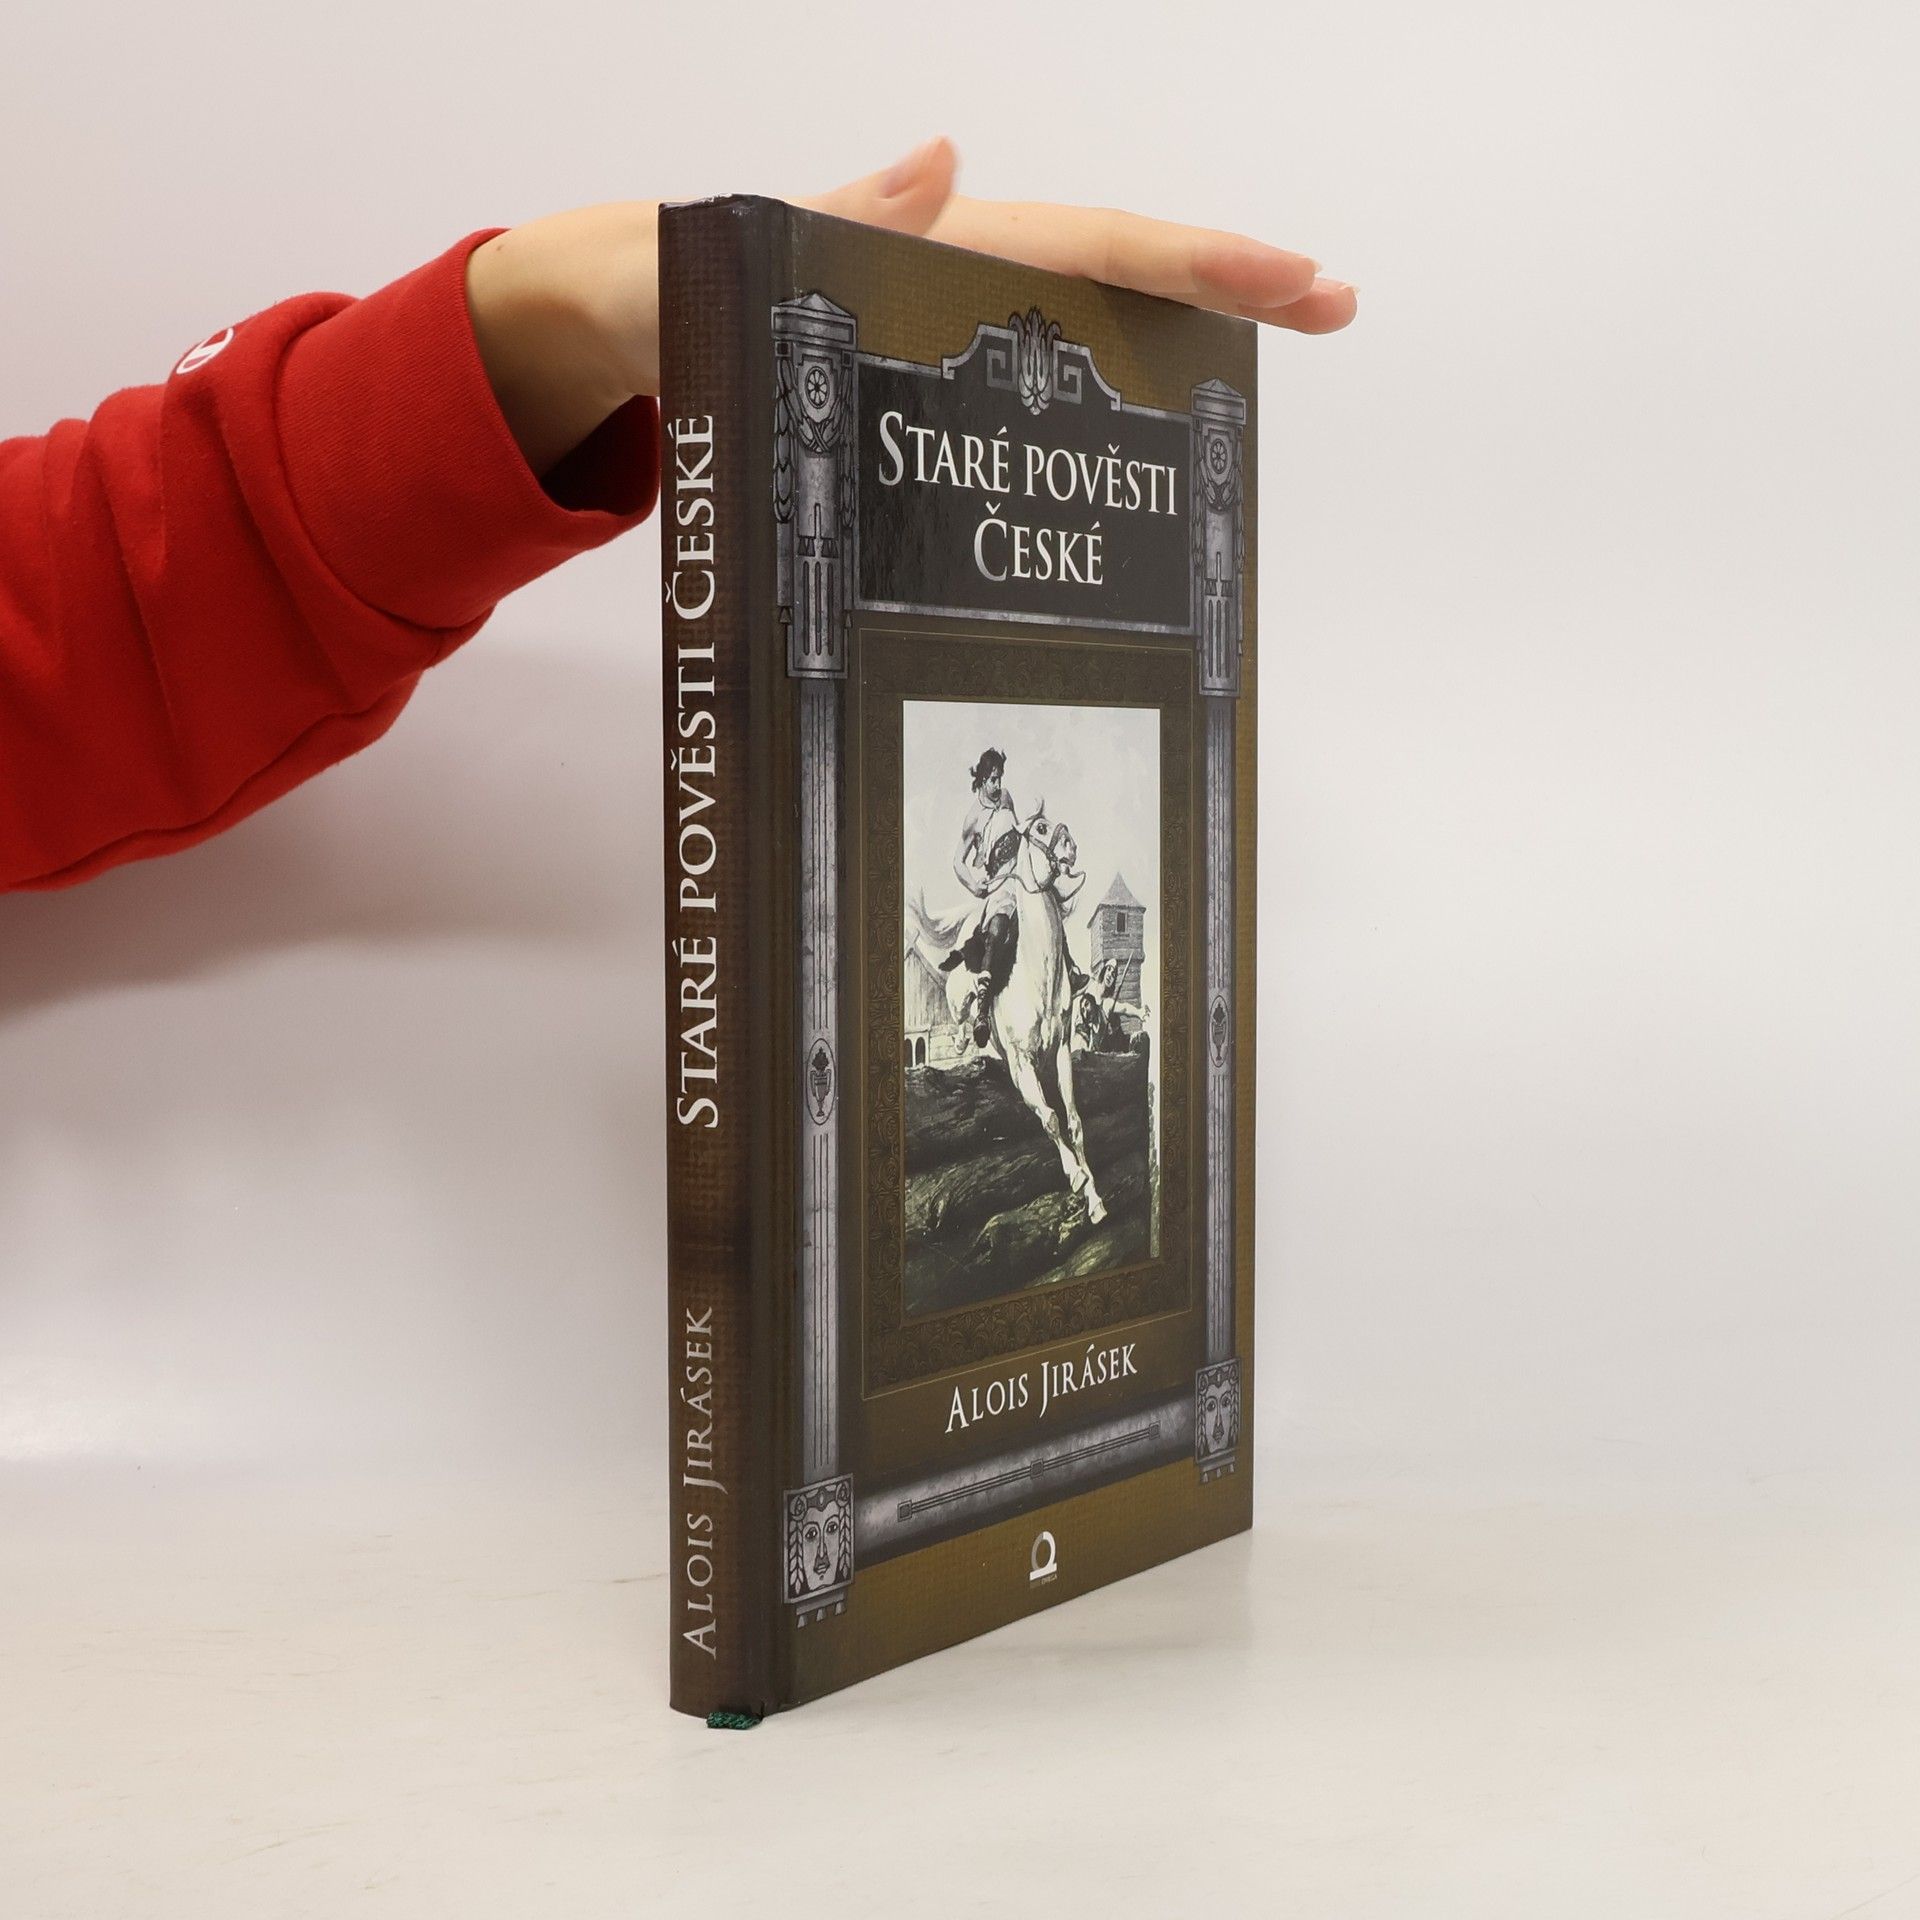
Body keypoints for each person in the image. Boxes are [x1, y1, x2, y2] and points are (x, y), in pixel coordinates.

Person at [0, 138, 1354, 897]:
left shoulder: (1018, 807)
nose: (996, 785)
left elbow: (72, 630)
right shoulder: (971, 820)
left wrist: (525, 334)